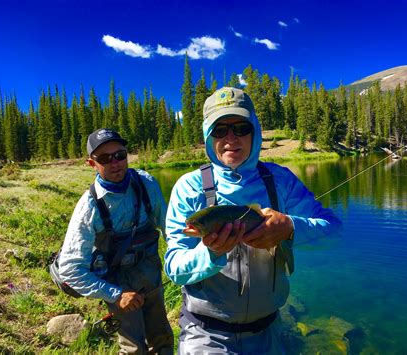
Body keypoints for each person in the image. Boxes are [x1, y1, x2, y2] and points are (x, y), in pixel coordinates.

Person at [165, 87, 342, 354]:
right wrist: (210, 253)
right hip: (205, 335)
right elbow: (174, 268)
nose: (230, 139)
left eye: (241, 128)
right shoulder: (188, 187)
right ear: (207, 135)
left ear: (255, 131)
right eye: (220, 130)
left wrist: (290, 229)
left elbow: (334, 231)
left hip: (269, 332)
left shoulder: (281, 181)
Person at [58, 128, 173, 354]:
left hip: (151, 275)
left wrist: (184, 264)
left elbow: (170, 229)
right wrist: (116, 294)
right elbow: (70, 270)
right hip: (116, 282)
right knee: (134, 349)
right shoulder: (88, 207)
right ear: (92, 164)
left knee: (163, 341)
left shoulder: (147, 183)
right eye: (104, 158)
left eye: (120, 155)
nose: (115, 163)